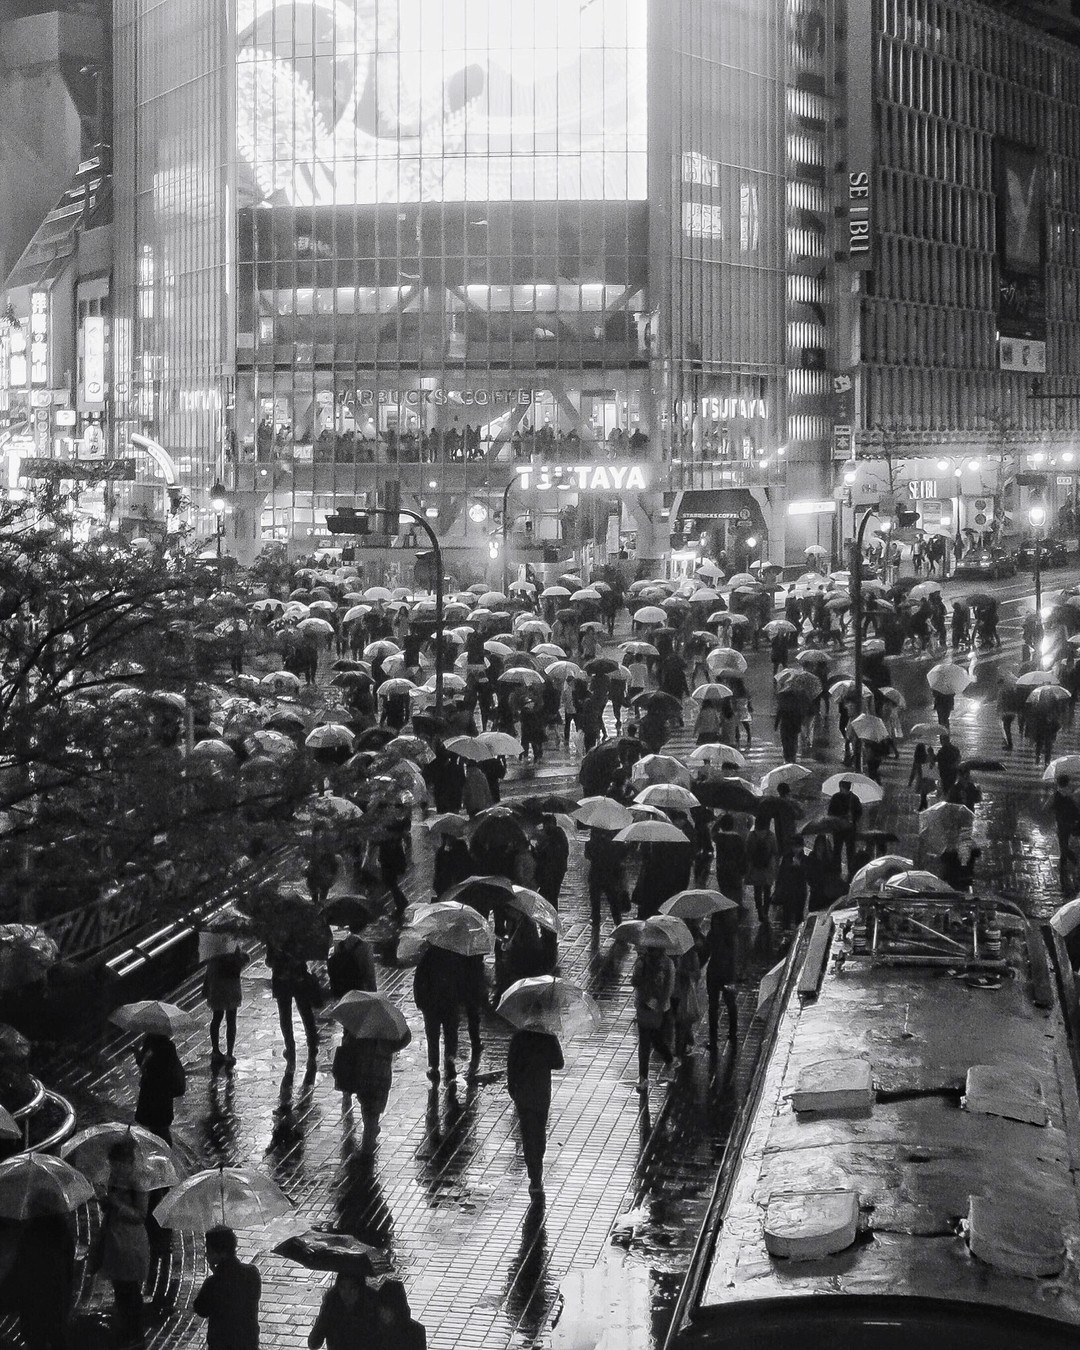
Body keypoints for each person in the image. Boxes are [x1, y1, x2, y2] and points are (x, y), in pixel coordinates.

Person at [96, 1138, 150, 1348]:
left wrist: (117, 1204)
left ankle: (135, 1333)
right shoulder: (114, 1178)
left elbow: (140, 1215)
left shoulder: (138, 1183)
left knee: (129, 1289)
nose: (115, 1169)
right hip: (114, 1238)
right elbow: (109, 1206)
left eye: (119, 1164)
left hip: (130, 1241)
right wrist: (105, 1202)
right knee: (120, 1288)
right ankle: (126, 1329)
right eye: (113, 1165)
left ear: (129, 1161)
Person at [333, 1021, 411, 1155]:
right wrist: (388, 1048)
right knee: (374, 1106)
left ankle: (369, 1135)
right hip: (381, 1073)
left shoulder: (358, 1024)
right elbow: (405, 1038)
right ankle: (370, 1134)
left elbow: (348, 1043)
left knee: (366, 1103)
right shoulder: (388, 1022)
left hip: (364, 1071)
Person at [506, 1026, 565, 1199]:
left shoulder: (519, 1037)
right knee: (539, 1131)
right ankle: (537, 1168)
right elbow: (559, 1063)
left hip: (522, 1092)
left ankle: (533, 1172)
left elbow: (511, 1065)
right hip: (541, 1093)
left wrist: (512, 1088)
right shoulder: (548, 1036)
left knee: (526, 1132)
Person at [12, 1209, 76, 1350]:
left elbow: (20, 1266)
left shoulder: (29, 1234)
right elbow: (69, 1266)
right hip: (57, 1296)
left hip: (34, 1297)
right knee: (57, 1336)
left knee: (36, 1337)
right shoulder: (62, 1233)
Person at [193, 1225, 261, 1350]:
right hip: (248, 1343)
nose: (207, 1254)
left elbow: (201, 1309)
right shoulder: (252, 1273)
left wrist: (216, 1276)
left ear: (222, 1253)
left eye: (209, 1249)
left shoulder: (213, 1283)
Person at [413, 942, 462, 1083]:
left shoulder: (427, 957)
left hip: (431, 1004)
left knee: (432, 1035)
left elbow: (419, 981)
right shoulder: (454, 956)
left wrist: (420, 1001)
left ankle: (434, 1066)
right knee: (451, 1032)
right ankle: (450, 1059)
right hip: (450, 1002)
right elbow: (461, 980)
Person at [266, 940, 320, 1064]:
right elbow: (307, 952)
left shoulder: (273, 934)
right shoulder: (299, 932)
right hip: (299, 978)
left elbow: (269, 961)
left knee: (285, 1015)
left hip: (281, 979)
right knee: (305, 1012)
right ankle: (312, 1044)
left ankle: (290, 1047)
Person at [632, 944, 676, 1089]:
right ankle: (643, 1076)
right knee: (645, 1041)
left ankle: (669, 1059)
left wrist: (659, 1004)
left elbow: (669, 988)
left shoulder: (667, 964)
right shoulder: (641, 962)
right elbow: (634, 981)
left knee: (655, 1039)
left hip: (658, 1008)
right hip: (644, 1005)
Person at [133, 1033, 185, 1144]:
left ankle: (164, 1150)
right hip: (162, 1093)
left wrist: (138, 1053)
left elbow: (145, 1064)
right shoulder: (166, 1045)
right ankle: (165, 1149)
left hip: (154, 1092)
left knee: (157, 1129)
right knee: (161, 1129)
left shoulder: (155, 1044)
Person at [204, 945, 250, 1069]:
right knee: (231, 1020)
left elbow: (209, 968)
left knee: (216, 1017)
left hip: (217, 986)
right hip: (231, 986)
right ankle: (229, 1053)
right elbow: (243, 960)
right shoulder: (232, 946)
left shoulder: (213, 947)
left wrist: (206, 986)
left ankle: (215, 1050)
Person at [308, 1272, 375, 1350]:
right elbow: (314, 1343)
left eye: (352, 1288)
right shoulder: (332, 1304)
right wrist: (324, 1316)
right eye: (342, 1287)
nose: (347, 1293)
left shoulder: (371, 1304)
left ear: (360, 1289)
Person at [584, 826, 629, 929]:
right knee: (613, 900)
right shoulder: (614, 841)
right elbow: (622, 855)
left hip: (596, 874)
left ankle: (596, 921)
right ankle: (617, 922)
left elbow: (588, 855)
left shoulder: (593, 842)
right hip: (610, 875)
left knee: (596, 901)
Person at [327, 922, 378, 998]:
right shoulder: (366, 947)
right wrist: (373, 992)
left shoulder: (339, 945)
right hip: (359, 987)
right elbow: (369, 972)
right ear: (364, 929)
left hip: (343, 989)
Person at [372, 1280, 426, 1350]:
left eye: (387, 1309)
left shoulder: (416, 1332)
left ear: (396, 1309)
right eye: (381, 1308)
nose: (383, 1312)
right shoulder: (372, 1329)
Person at [826, 779, 863, 877]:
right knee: (843, 850)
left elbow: (830, 812)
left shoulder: (842, 798)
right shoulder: (852, 798)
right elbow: (859, 813)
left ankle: (846, 871)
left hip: (842, 829)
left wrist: (851, 817)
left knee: (844, 850)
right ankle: (844, 871)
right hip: (845, 828)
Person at [744, 816, 779, 920]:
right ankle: (766, 911)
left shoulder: (751, 835)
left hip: (755, 867)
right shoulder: (771, 836)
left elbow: (747, 850)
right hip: (768, 868)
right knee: (767, 890)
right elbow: (775, 851)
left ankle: (759, 911)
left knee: (757, 890)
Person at [711, 814, 747, 909]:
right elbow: (743, 854)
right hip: (735, 868)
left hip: (722, 868)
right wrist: (743, 869)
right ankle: (738, 906)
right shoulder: (738, 838)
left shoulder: (719, 837)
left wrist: (717, 822)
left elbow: (712, 832)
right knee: (737, 889)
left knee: (724, 889)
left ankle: (726, 907)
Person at [1052, 775, 1080, 891]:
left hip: (1064, 825)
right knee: (1063, 844)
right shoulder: (1067, 795)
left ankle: (1071, 861)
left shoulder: (1060, 795)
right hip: (1067, 824)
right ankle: (1065, 862)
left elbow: (1050, 808)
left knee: (1063, 844)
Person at [908, 742, 937, 811]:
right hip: (928, 778)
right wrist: (931, 753)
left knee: (923, 794)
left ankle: (923, 808)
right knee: (923, 795)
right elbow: (933, 763)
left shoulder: (917, 760)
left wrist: (910, 781)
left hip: (921, 779)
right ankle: (923, 807)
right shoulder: (927, 757)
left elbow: (913, 771)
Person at [935, 733, 961, 797]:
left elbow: (936, 759)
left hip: (945, 773)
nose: (941, 742)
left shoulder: (942, 751)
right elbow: (959, 759)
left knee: (946, 790)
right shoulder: (955, 749)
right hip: (953, 773)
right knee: (950, 788)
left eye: (942, 740)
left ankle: (948, 799)